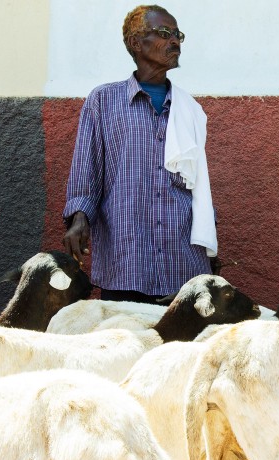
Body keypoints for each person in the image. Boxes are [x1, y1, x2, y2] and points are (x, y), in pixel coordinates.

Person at [62, 4, 217, 304]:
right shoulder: (104, 101)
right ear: (136, 43)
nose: (175, 41)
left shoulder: (190, 110)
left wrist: (211, 247)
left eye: (177, 35)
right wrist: (79, 220)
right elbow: (86, 171)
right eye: (164, 33)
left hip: (183, 262)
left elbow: (200, 186)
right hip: (126, 259)